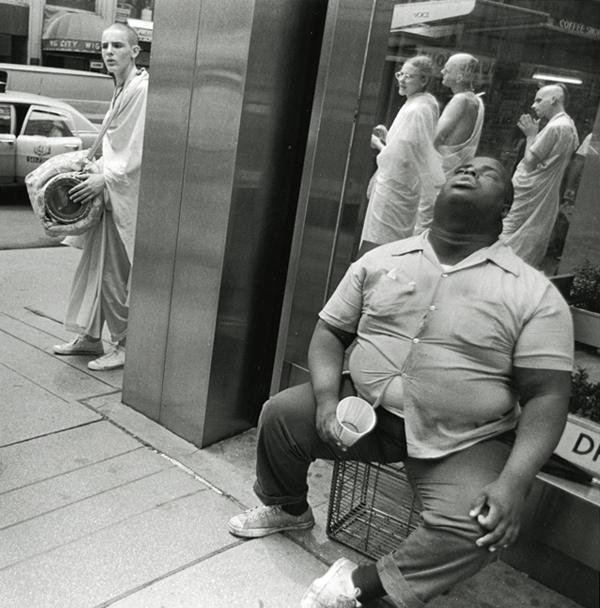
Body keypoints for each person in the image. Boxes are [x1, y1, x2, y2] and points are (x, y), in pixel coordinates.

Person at [227, 157, 573, 608]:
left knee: (480, 526)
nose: (468, 172)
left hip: (463, 440)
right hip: (363, 411)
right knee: (280, 416)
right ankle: (289, 508)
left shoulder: (533, 293)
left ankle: (364, 586)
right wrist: (328, 401)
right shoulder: (381, 259)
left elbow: (548, 394)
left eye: (486, 173)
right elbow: (331, 333)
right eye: (461, 168)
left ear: (505, 204)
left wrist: (514, 481)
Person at [51, 23, 149, 371]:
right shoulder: (121, 89)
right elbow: (115, 144)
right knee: (94, 268)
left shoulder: (141, 90)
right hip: (109, 192)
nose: (109, 51)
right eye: (105, 45)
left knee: (114, 275)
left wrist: (103, 179)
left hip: (122, 196)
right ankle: (90, 337)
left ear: (134, 52)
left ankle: (124, 344)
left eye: (117, 45)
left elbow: (137, 151)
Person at [361, 56, 443, 254]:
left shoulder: (418, 109)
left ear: (423, 80)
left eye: (408, 76)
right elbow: (412, 145)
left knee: (381, 242)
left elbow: (402, 156)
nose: (402, 80)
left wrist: (379, 145)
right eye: (400, 74)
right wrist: (390, 136)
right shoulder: (422, 104)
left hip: (395, 186)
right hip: (403, 184)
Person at [501, 84, 579, 268]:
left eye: (538, 100)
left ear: (554, 100)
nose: (534, 105)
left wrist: (530, 135)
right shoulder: (568, 125)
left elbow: (529, 162)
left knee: (510, 231)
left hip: (531, 191)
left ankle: (504, 267)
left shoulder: (556, 127)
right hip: (540, 190)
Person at [415, 53, 484, 233]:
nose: (443, 71)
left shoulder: (461, 99)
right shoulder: (477, 101)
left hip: (440, 173)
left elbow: (436, 138)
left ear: (460, 76)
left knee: (423, 225)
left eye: (448, 68)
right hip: (453, 172)